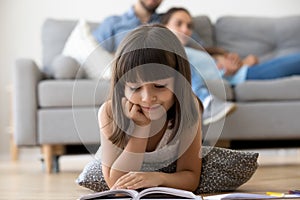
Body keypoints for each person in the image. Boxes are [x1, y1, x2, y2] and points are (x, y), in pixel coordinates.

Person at [93, 0, 236, 125]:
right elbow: (94, 51)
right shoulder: (114, 22)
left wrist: (221, 56)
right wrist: (122, 56)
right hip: (132, 70)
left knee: (178, 52)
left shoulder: (167, 20)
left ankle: (204, 100)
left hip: (163, 68)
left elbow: (195, 44)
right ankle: (205, 99)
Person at [98, 24, 203, 192]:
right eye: (135, 88)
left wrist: (158, 178)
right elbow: (115, 184)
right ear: (122, 87)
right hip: (117, 166)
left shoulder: (188, 107)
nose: (148, 98)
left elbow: (191, 177)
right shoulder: (110, 112)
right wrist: (141, 128)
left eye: (160, 86)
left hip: (167, 172)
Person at [161, 7, 300, 86]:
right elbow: (220, 73)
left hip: (248, 71)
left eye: (189, 26)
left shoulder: (194, 50)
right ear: (164, 26)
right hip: (245, 76)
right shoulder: (171, 53)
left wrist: (242, 61)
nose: (185, 30)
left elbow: (227, 66)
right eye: (179, 24)